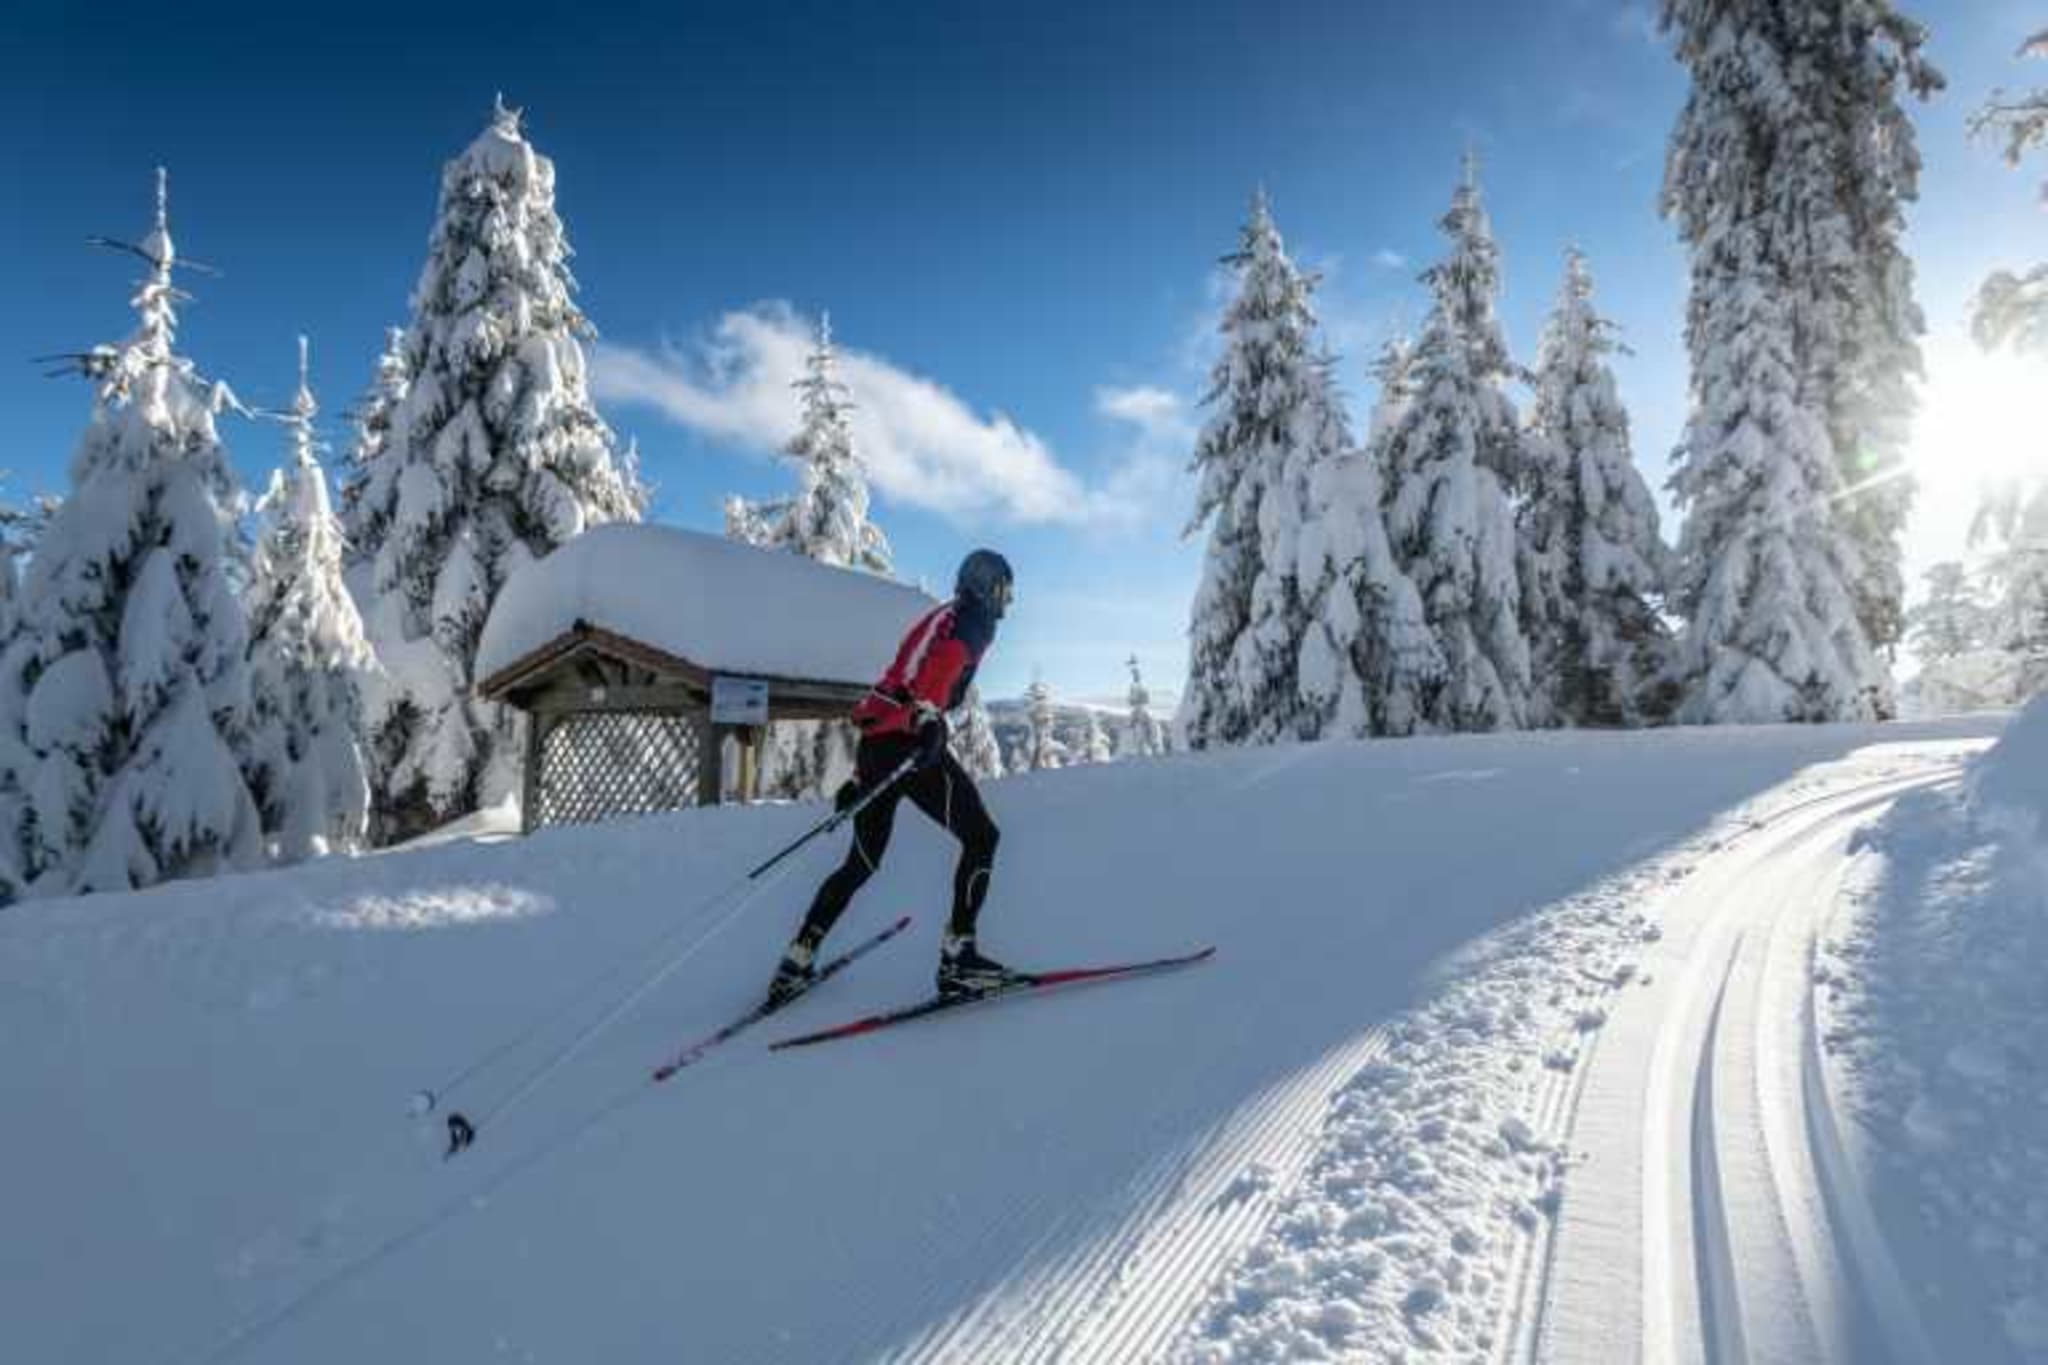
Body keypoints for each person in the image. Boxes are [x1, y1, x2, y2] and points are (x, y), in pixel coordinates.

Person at [766, 549, 1021, 1006]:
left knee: (861, 862)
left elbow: (900, 679)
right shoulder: (973, 620)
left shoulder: (943, 615)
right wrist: (925, 721)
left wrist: (864, 775)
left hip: (881, 746)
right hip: (910, 744)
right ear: (986, 587)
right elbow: (942, 667)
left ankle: (796, 960)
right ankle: (959, 960)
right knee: (982, 838)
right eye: (1004, 590)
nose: (1007, 601)